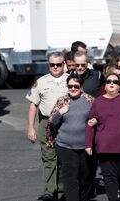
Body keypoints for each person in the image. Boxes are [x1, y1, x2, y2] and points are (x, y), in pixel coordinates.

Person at [85, 73, 120, 201]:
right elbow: (90, 122)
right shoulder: (98, 101)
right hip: (105, 147)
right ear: (105, 85)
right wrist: (88, 144)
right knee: (109, 177)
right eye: (109, 81)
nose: (112, 84)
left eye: (115, 82)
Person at [46, 73, 95, 201]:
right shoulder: (62, 101)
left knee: (86, 176)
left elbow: (98, 118)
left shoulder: (89, 100)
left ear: (81, 86)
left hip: (85, 146)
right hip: (65, 146)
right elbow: (52, 122)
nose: (72, 89)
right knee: (70, 177)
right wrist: (60, 113)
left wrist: (94, 121)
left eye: (76, 86)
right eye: (70, 86)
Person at [26, 52, 68, 201]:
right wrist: (31, 127)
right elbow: (33, 105)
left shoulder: (71, 81)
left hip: (66, 123)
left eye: (58, 64)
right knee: (48, 157)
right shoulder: (41, 82)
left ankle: (63, 191)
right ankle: (50, 192)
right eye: (52, 65)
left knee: (64, 158)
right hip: (46, 123)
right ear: (48, 65)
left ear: (64, 64)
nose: (55, 67)